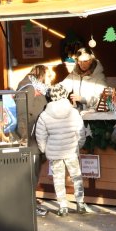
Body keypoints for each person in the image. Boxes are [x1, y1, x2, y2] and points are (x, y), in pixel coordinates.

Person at [35, 84, 88, 217]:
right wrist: (78, 146)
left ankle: (63, 206)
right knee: (76, 177)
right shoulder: (73, 112)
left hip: (54, 152)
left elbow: (40, 136)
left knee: (58, 179)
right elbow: (81, 132)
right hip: (71, 150)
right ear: (64, 95)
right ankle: (80, 203)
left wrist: (45, 150)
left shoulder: (44, 115)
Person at [16, 65, 55, 217]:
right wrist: (24, 135)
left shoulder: (37, 87)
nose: (50, 80)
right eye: (49, 77)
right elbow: (22, 113)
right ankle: (28, 205)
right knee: (31, 171)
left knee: (35, 169)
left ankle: (30, 201)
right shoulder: (27, 87)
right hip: (30, 137)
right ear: (42, 74)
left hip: (36, 135)